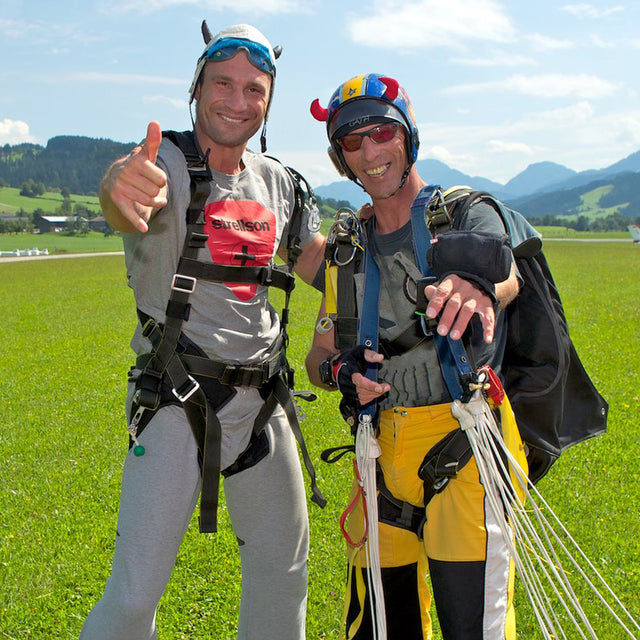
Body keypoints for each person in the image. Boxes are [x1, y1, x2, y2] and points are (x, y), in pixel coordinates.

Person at [80, 22, 326, 640]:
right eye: (223, 83)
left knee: (282, 574)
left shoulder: (281, 184)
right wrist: (118, 186)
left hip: (264, 405)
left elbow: (326, 267)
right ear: (197, 87)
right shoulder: (166, 162)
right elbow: (125, 189)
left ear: (268, 101)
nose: (238, 101)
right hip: (176, 398)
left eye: (254, 89)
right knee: (134, 599)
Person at [306, 73, 522, 639]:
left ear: (408, 138)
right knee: (381, 629)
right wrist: (338, 371)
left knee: (472, 627)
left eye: (382, 133)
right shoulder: (346, 248)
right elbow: (319, 353)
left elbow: (508, 274)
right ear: (341, 159)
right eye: (352, 143)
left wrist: (479, 289)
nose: (370, 152)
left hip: (467, 443)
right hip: (378, 454)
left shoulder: (461, 213)